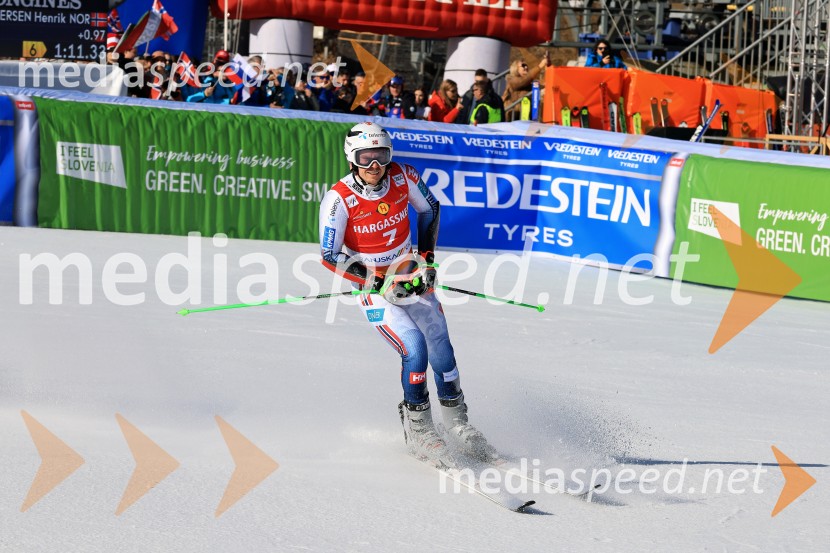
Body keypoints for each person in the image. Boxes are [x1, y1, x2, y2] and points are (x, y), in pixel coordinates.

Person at [318, 122, 495, 463]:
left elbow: (429, 208)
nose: (374, 166)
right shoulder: (339, 199)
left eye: (381, 156)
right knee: (414, 348)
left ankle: (458, 424)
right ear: (351, 158)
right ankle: (420, 428)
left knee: (441, 346)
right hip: (375, 289)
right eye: (365, 158)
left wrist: (427, 260)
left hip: (411, 276)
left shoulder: (403, 175)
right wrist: (374, 279)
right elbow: (329, 254)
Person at [502, 52, 550, 121]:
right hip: (514, 116)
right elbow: (524, 80)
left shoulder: (528, 83)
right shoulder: (512, 81)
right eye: (523, 66)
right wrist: (540, 66)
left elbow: (544, 85)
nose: (526, 67)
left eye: (527, 66)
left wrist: (548, 65)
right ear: (516, 68)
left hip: (526, 117)